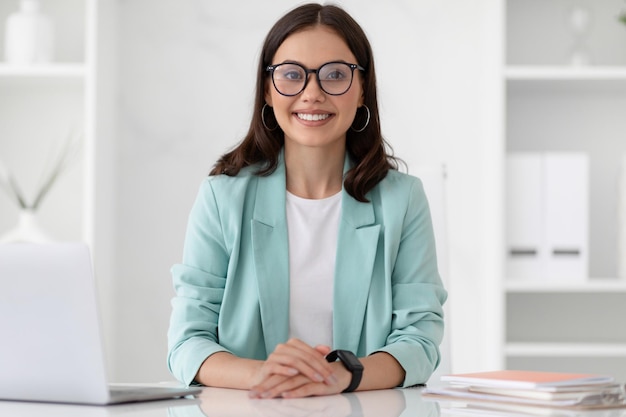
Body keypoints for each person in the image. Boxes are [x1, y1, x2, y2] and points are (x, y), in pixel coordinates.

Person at [167, 3, 447, 399]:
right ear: (268, 88)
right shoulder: (221, 197)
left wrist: (342, 376)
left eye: (335, 74)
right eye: (292, 75)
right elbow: (187, 343)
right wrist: (266, 375)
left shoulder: (403, 200)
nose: (312, 94)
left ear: (363, 87)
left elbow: (419, 342)